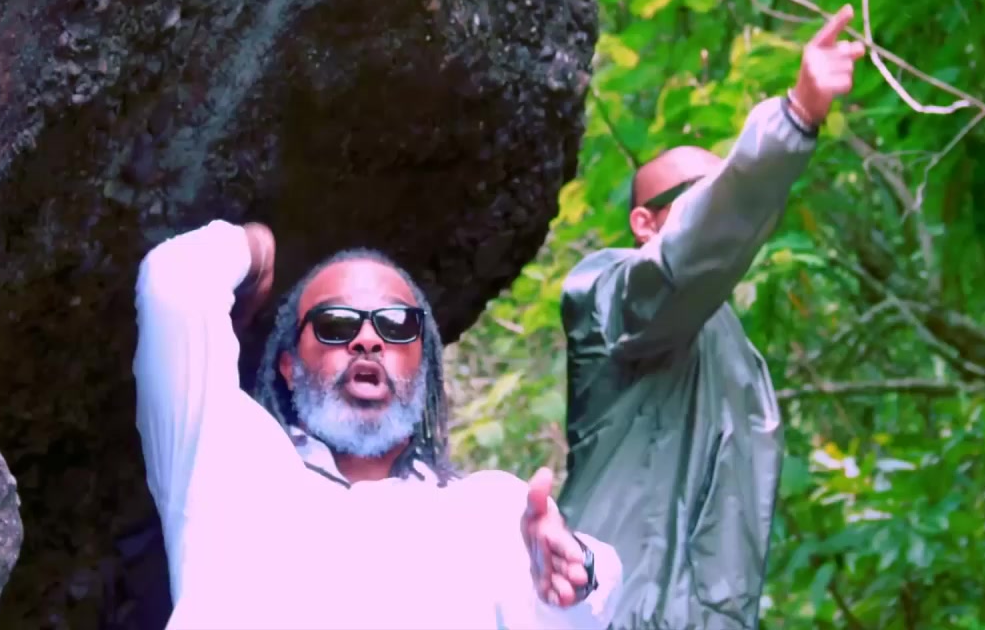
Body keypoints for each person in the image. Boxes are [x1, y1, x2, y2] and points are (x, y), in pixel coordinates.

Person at [131, 218, 622, 629]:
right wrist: (258, 247)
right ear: (289, 366)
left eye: (396, 325)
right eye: (336, 324)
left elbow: (584, 609)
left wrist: (575, 573)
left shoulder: (489, 510)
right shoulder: (229, 462)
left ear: (423, 368)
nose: (367, 339)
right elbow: (173, 284)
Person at [555, 6, 866, 630]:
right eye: (696, 195)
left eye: (719, 186)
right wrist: (793, 120)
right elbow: (685, 258)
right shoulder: (607, 296)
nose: (716, 202)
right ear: (644, 221)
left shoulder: (735, 350)